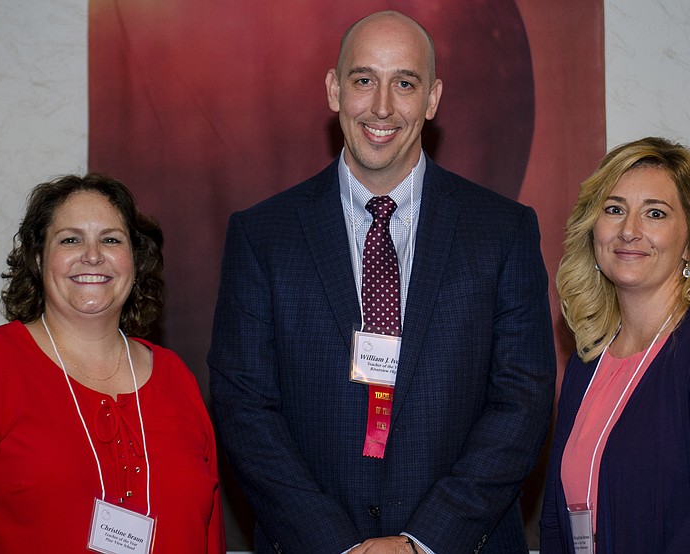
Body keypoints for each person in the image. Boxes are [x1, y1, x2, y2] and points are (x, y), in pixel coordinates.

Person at [208, 10, 556, 554]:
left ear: (433, 99)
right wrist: (336, 544)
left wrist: (424, 540)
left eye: (406, 83)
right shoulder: (262, 236)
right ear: (333, 89)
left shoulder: (503, 231)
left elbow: (523, 400)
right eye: (364, 79)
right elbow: (244, 407)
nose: (383, 106)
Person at [0, 174, 225, 553]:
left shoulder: (176, 378)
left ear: (135, 262)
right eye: (70, 239)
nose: (92, 255)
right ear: (39, 259)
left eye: (111, 239)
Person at [540, 137, 690, 553]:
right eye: (614, 209)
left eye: (655, 213)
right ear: (593, 233)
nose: (629, 230)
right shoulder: (588, 358)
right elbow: (554, 515)